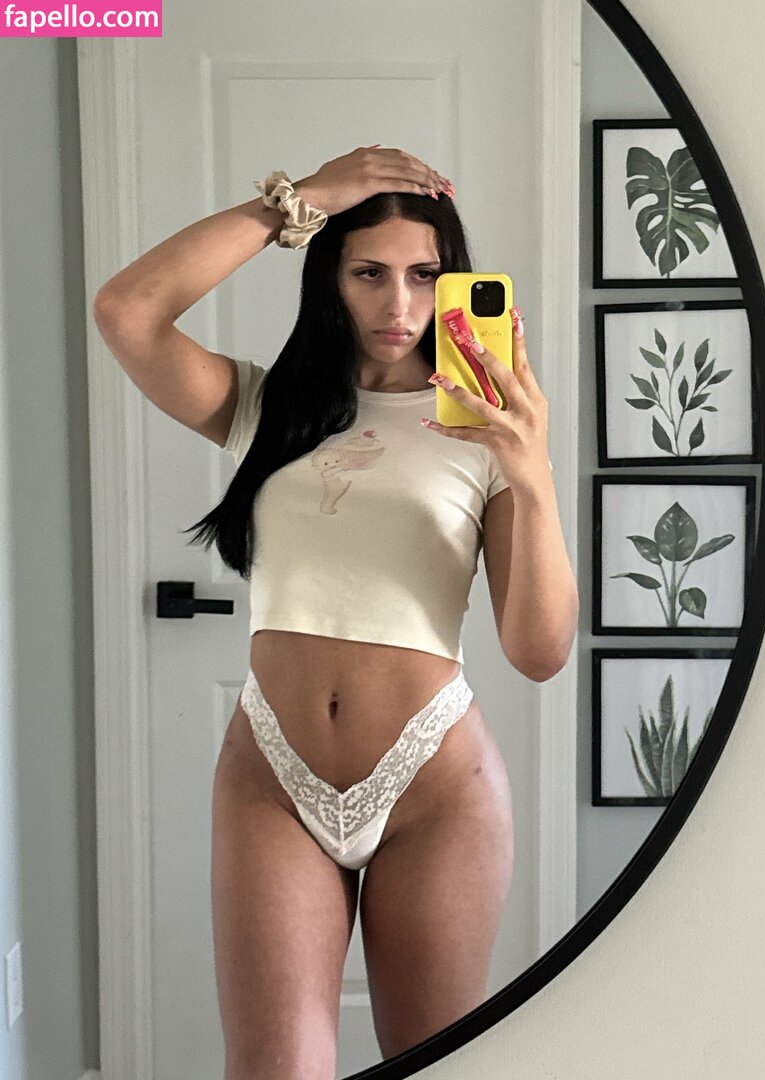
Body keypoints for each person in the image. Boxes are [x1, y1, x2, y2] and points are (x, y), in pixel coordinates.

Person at [93, 144, 578, 1080]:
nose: (399, 305)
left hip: (435, 788)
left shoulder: (489, 435)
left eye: (424, 275)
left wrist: (531, 473)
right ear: (331, 278)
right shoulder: (267, 408)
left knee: (430, 1061)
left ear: (454, 280)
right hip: (271, 780)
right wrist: (302, 199)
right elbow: (127, 311)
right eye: (369, 273)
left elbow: (540, 651)